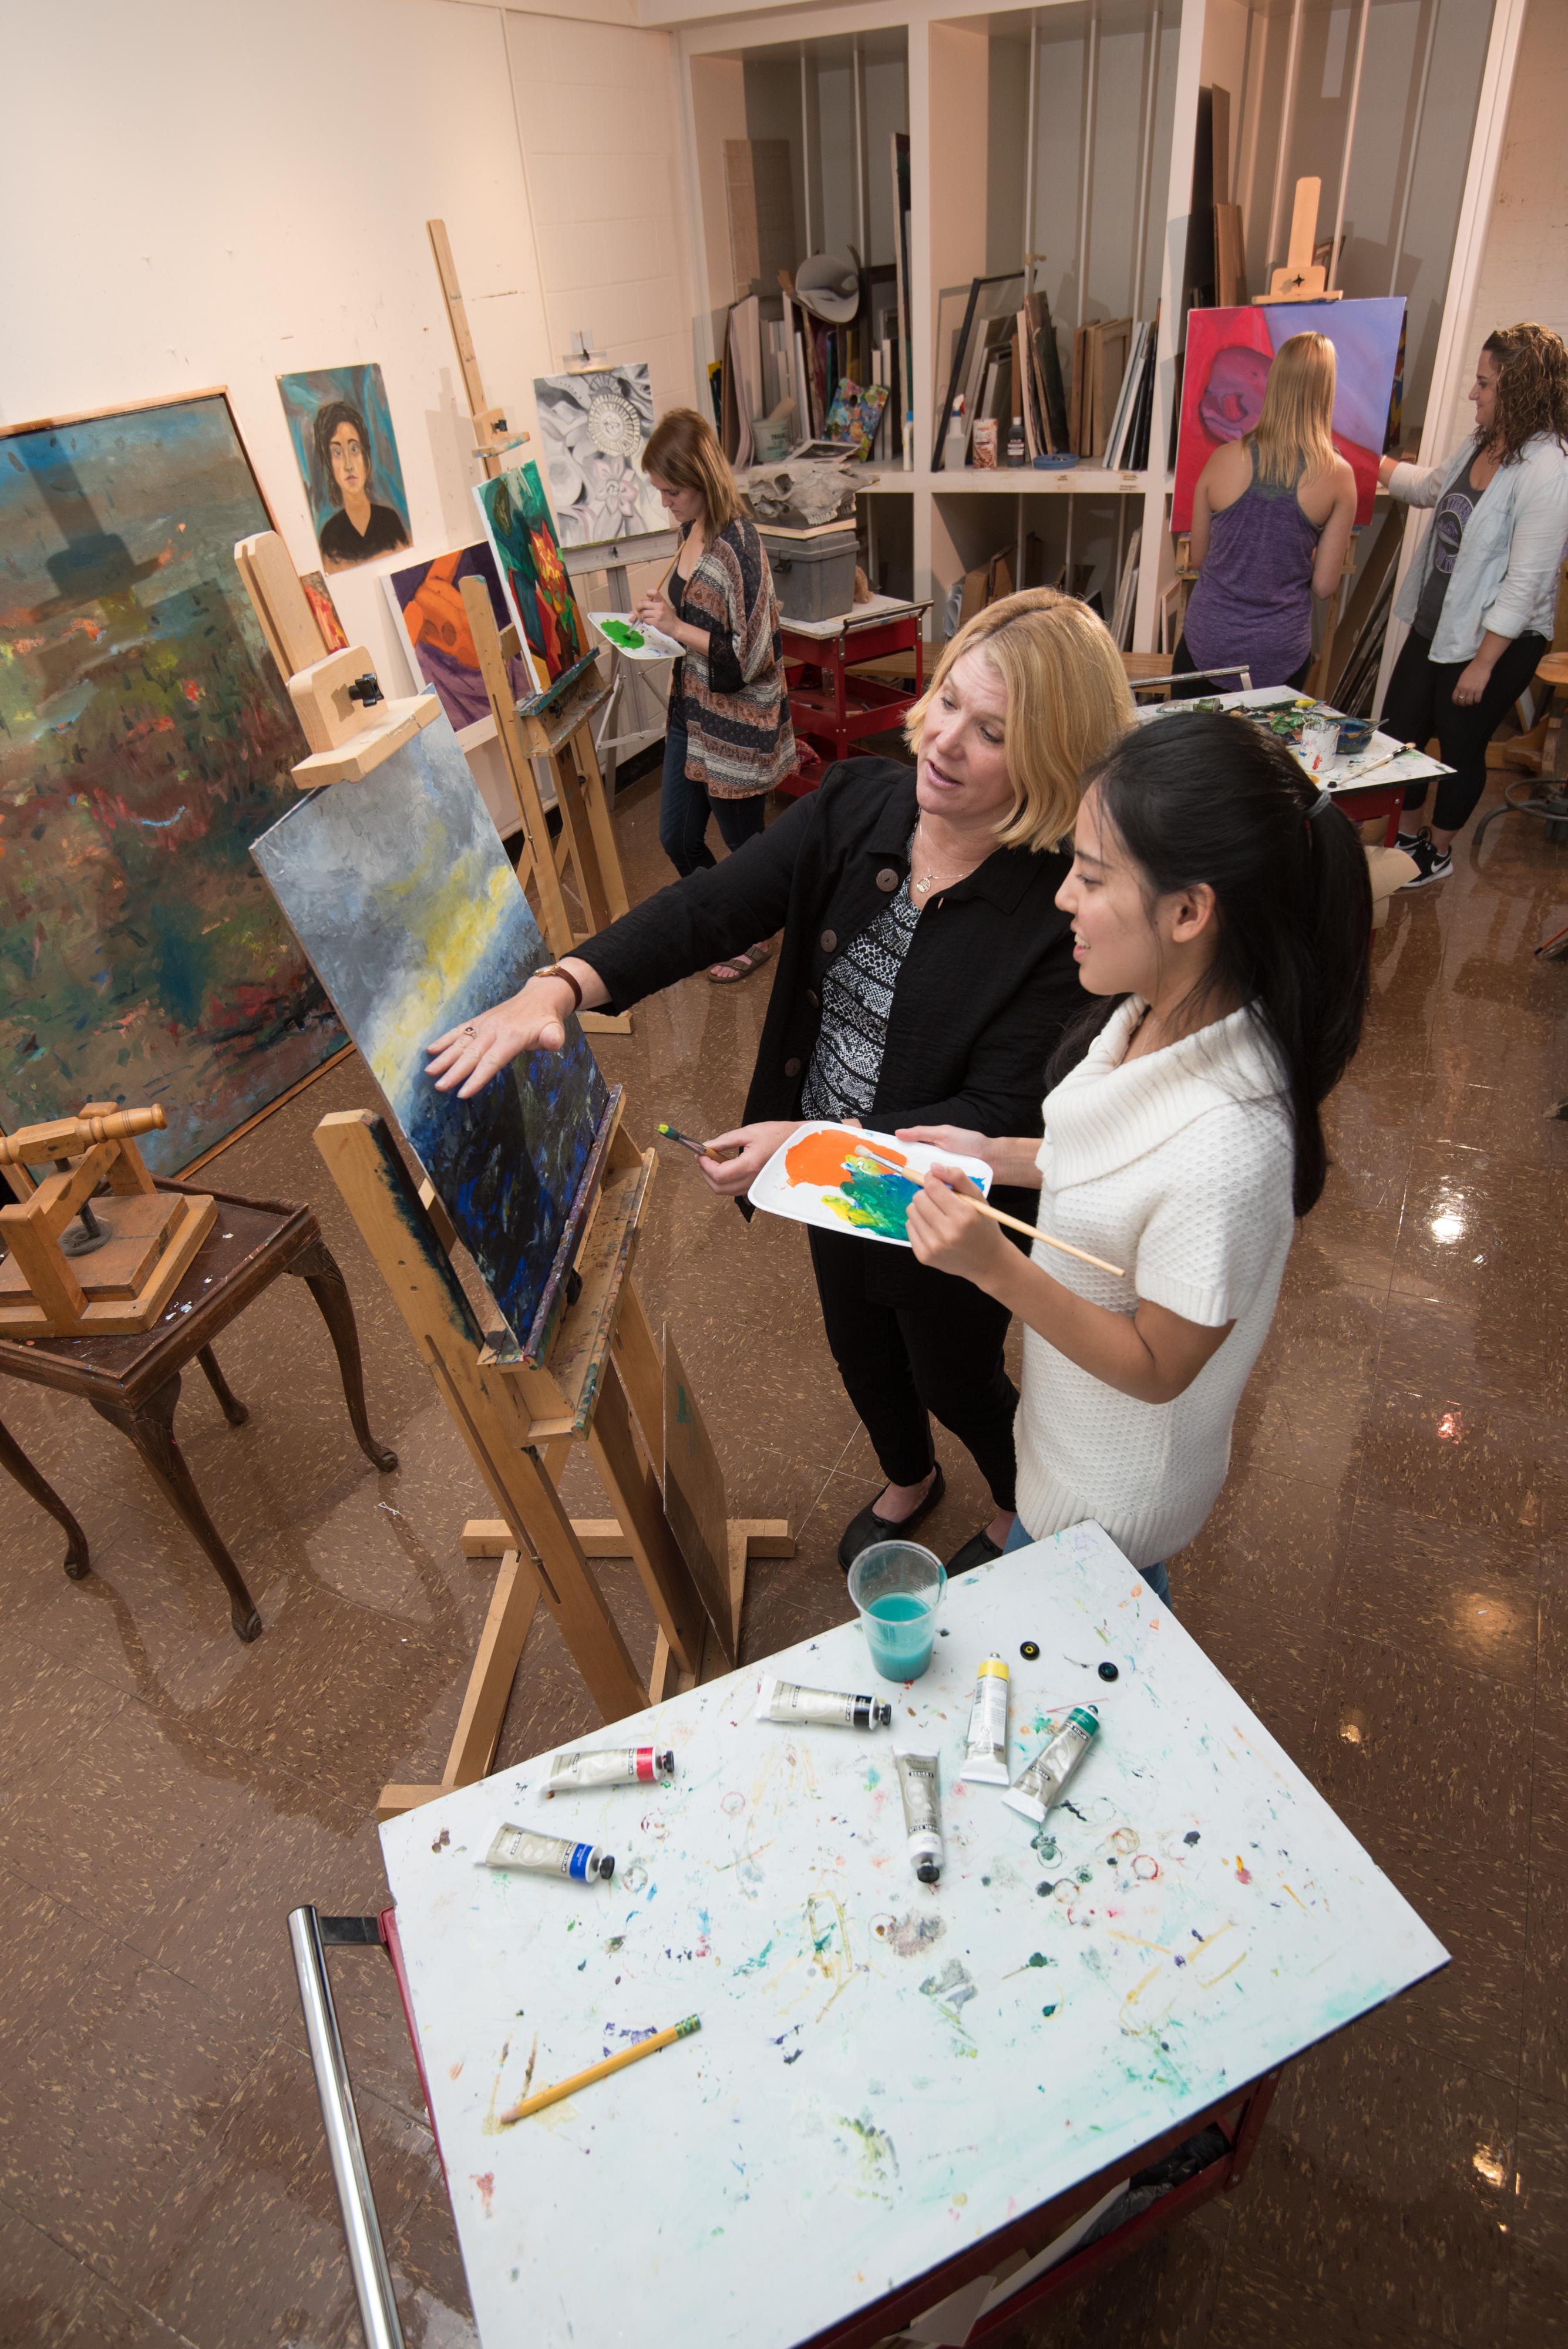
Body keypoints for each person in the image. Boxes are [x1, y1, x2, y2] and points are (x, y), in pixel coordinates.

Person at [426, 590, 1135, 1576]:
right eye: (949, 704)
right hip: (825, 1181)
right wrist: (564, 983)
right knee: (858, 1345)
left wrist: (806, 1152)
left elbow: (990, 1119)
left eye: (992, 734)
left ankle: (1020, 1506)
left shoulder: (1057, 914)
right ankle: (910, 1478)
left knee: (955, 1370)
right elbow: (715, 906)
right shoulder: (858, 805)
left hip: (939, 1202)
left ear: (1052, 764)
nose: (943, 742)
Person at [899, 713, 1371, 1605]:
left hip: (1112, 1497)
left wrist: (991, 1265)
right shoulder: (1156, 1013)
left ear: (1189, 910)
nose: (1062, 899)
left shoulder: (1230, 1147)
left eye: (1089, 876)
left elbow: (1159, 1366)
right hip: (1066, 1435)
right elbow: (1112, 1161)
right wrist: (994, 1155)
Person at [1378, 321, 1568, 887]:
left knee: (1461, 747)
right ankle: (1407, 838)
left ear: (1517, 389)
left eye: (1483, 384)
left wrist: (1483, 664)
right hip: (1438, 624)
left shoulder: (1549, 469)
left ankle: (1436, 853)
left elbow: (1528, 582)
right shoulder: (1482, 442)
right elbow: (1430, 488)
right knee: (1399, 732)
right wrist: (1368, 462)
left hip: (1496, 641)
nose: (1473, 393)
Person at [635, 407, 795, 983]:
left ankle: (755, 930)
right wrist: (658, 622)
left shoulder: (740, 544)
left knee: (742, 844)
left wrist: (676, 627)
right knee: (676, 837)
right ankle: (730, 919)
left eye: (672, 491)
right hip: (691, 714)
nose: (665, 503)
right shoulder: (689, 530)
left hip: (732, 725)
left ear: (702, 478)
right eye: (660, 491)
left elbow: (749, 657)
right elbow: (691, 621)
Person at [1173, 331, 1357, 697]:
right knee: (1261, 755)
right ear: (1326, 391)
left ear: (1275, 382)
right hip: (1279, 654)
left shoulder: (1222, 459)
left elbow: (1197, 558)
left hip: (1208, 643)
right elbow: (1324, 586)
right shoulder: (1338, 476)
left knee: (1193, 753)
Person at [313, 401, 410, 571]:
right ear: (329, 463)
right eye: (337, 453)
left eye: (354, 449)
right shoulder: (330, 538)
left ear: (365, 456)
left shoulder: (390, 522)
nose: (348, 465)